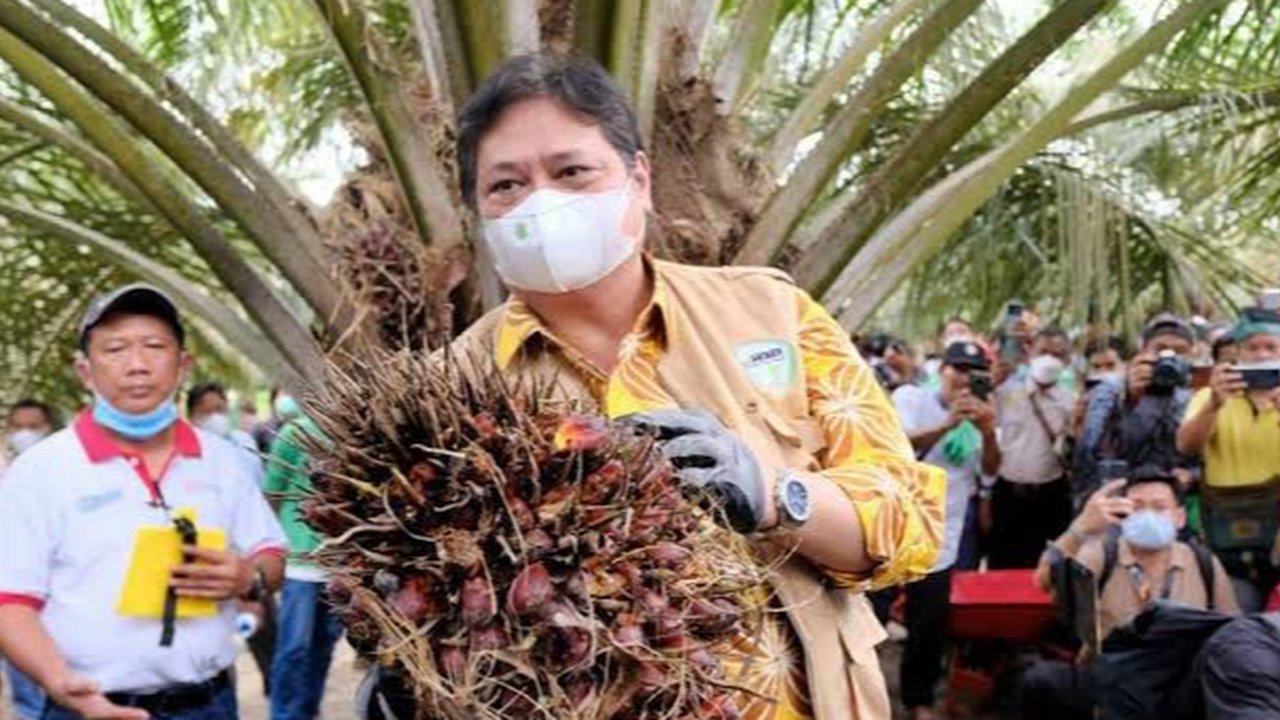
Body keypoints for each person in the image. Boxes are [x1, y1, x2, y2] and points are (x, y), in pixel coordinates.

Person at [364, 52, 946, 719]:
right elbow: (417, 611)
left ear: (639, 179)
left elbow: (912, 526)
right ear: (479, 213)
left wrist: (771, 494)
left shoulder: (772, 315)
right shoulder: (441, 397)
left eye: (571, 171)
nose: (540, 202)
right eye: (505, 186)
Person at [0, 283, 287, 720]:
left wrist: (249, 578)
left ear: (182, 364)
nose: (137, 365)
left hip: (207, 704)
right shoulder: (42, 470)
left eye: (154, 346)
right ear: (85, 371)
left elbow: (270, 555)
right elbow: (11, 601)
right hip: (85, 705)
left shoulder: (224, 461)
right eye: (115, 349)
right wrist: (66, 687)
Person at [1023, 472, 1239, 719]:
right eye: (1137, 507)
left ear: (1179, 518)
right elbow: (1042, 580)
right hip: (1111, 683)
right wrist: (1080, 529)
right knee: (1040, 680)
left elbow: (1231, 631)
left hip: (1178, 689)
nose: (1148, 516)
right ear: (1121, 515)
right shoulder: (1101, 556)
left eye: (1159, 508)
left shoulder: (1203, 563)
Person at [893, 341, 1000, 719]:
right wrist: (946, 424)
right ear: (943, 369)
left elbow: (990, 471)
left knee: (928, 622)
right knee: (869, 612)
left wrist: (986, 431)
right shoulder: (909, 398)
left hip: (941, 533)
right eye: (957, 368)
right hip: (889, 525)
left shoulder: (983, 416)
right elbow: (895, 450)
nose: (963, 378)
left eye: (973, 372)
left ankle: (918, 700)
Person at [1178, 305, 1280, 611]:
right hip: (1229, 536)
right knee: (1235, 624)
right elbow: (1187, 447)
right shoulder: (1209, 396)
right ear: (1238, 353)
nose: (1262, 355)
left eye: (1271, 347)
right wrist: (1213, 404)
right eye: (1252, 347)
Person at [264, 412, 343, 720]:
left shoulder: (353, 429)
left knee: (322, 647)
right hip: (299, 564)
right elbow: (272, 491)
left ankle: (307, 712)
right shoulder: (295, 432)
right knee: (294, 649)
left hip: (339, 566)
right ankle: (284, 715)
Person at [1073, 314, 1197, 506]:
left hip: (1167, 502)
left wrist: (1191, 475)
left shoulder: (1197, 396)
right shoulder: (1109, 389)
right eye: (1160, 350)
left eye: (1180, 351)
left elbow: (1208, 456)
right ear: (1143, 352)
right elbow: (1090, 452)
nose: (1170, 358)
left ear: (1191, 357)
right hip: (1116, 498)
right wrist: (1131, 398)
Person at [989, 330, 1078, 568]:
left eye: (1058, 354)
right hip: (1009, 493)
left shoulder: (1070, 401)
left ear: (1068, 360)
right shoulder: (1004, 391)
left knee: (1048, 567)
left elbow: (1073, 446)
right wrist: (991, 381)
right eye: (1044, 352)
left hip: (1051, 494)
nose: (1049, 359)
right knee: (1002, 565)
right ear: (1029, 354)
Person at [1, 399, 57, 719]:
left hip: (55, 599)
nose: (25, 434)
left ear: (48, 428)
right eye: (18, 427)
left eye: (33, 427)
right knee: (23, 686)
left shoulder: (67, 474)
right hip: (11, 600)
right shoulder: (4, 472)